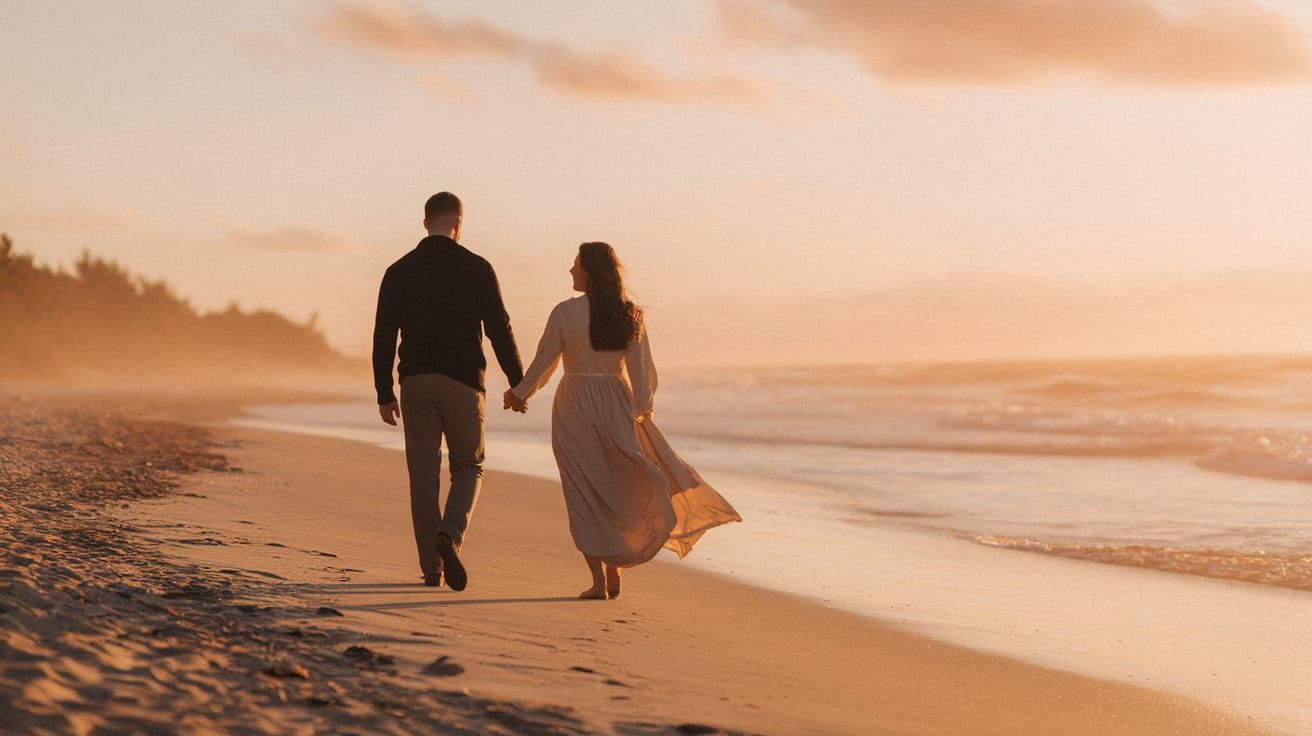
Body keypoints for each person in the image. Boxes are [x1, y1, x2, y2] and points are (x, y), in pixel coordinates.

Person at [505, 242, 740, 599]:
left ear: (590, 271)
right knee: (617, 482)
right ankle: (613, 568)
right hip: (616, 400)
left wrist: (521, 393)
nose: (570, 271)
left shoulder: (565, 313)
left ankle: (600, 580)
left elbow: (545, 360)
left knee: (583, 489)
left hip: (574, 405)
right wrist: (642, 409)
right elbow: (642, 371)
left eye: (575, 265)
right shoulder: (628, 313)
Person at [373, 192, 524, 591]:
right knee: (468, 467)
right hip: (463, 383)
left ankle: (431, 569)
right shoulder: (477, 268)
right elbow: (499, 328)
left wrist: (383, 391)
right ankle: (450, 534)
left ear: (426, 223)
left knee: (423, 476)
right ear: (459, 222)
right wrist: (518, 381)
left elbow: (383, 336)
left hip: (416, 382)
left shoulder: (398, 271)